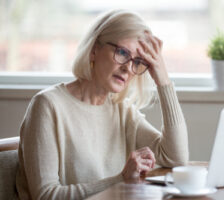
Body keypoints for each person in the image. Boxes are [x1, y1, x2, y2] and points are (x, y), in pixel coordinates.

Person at [16, 9, 189, 200]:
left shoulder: (123, 110)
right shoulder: (48, 105)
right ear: (93, 50)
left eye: (137, 62)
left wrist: (163, 79)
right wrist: (120, 180)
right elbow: (45, 196)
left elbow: (175, 157)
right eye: (122, 52)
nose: (127, 68)